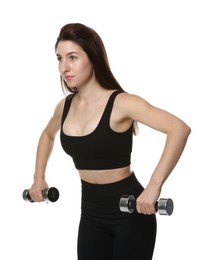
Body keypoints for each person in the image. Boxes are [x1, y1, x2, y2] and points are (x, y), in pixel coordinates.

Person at [29, 23, 191, 260]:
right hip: (91, 214)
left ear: (93, 57)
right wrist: (38, 177)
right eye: (59, 58)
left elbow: (179, 129)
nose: (64, 67)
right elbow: (47, 135)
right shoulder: (64, 107)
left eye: (72, 57)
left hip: (130, 213)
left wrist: (153, 187)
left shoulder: (122, 103)